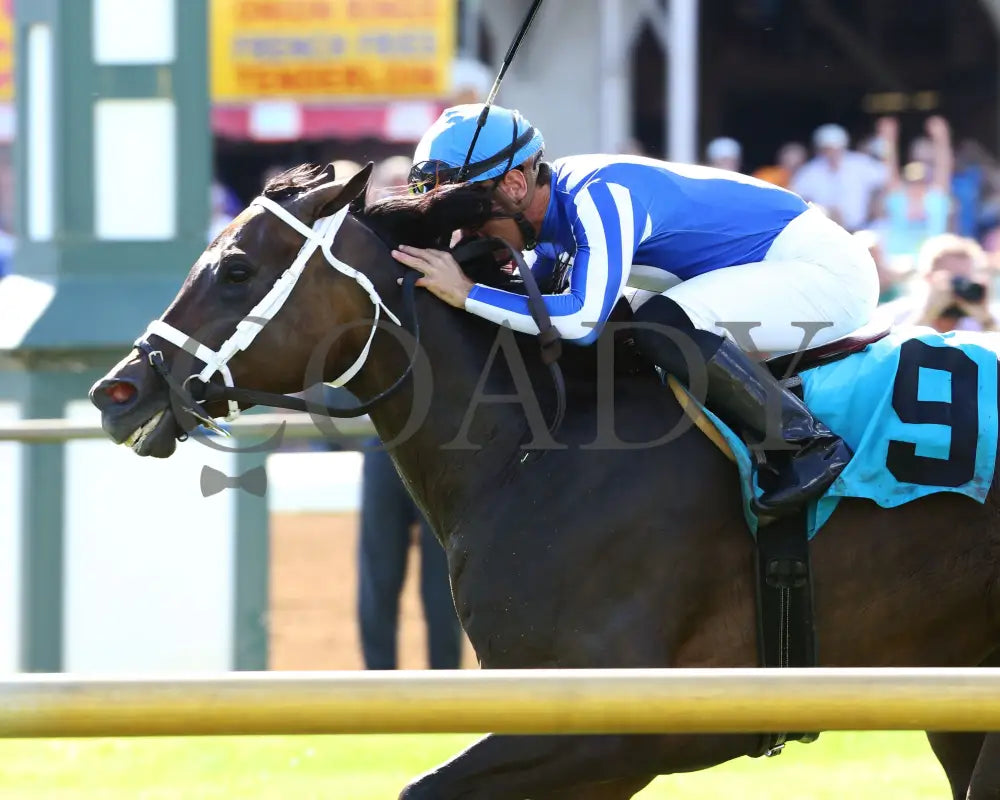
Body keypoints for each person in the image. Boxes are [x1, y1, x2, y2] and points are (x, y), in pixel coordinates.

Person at [390, 104, 879, 517]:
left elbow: (580, 321)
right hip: (768, 270)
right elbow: (534, 302)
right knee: (637, 324)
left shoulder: (599, 195)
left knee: (666, 325)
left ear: (516, 184)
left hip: (825, 273)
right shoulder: (555, 211)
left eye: (471, 218)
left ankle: (806, 444)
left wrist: (469, 292)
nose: (468, 236)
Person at [358, 155, 464, 670]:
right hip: (385, 438)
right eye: (391, 189)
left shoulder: (451, 260)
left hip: (445, 439)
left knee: (442, 577)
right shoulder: (359, 271)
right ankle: (376, 688)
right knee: (378, 571)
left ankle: (445, 689)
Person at [874, 116, 952, 260]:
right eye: (912, 182)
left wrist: (942, 138)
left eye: (920, 181)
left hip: (931, 263)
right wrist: (888, 139)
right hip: (897, 262)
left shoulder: (935, 199)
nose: (916, 185)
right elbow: (889, 167)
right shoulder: (897, 199)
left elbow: (944, 168)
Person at [791, 123, 887, 232]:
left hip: (863, 229)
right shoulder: (809, 171)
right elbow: (797, 198)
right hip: (824, 231)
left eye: (835, 148)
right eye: (827, 149)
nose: (832, 153)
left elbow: (886, 180)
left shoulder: (860, 163)